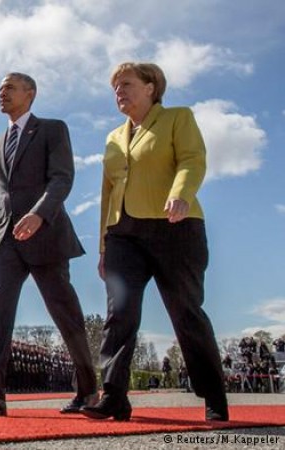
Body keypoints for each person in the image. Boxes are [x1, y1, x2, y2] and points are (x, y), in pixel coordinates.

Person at [82, 62, 228, 422]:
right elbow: (107, 192)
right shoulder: (113, 137)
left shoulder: (178, 118)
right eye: (115, 87)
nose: (119, 92)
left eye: (127, 84)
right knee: (120, 313)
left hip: (175, 226)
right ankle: (114, 395)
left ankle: (213, 395)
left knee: (186, 311)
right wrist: (103, 245)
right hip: (123, 234)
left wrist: (181, 194)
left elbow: (193, 159)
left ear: (151, 87)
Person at [0, 72, 97, 417]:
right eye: (0, 89)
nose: (2, 93)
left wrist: (38, 215)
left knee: (66, 315)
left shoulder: (52, 129)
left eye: (9, 88)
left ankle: (88, 390)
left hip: (45, 234)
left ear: (30, 93)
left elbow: (62, 178)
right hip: (6, 242)